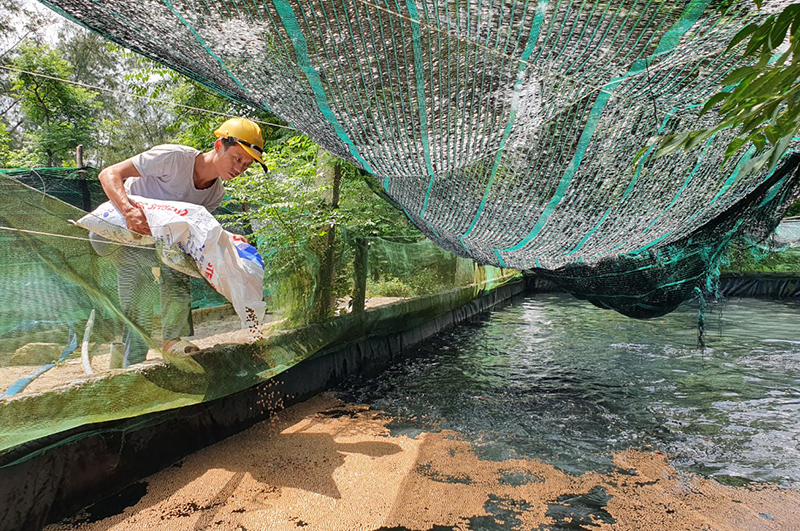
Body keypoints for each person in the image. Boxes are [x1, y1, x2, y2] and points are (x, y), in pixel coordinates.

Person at [96, 117, 266, 366]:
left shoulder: (215, 193)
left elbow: (192, 234)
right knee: (142, 288)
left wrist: (228, 243)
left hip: (157, 245)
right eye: (237, 158)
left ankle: (169, 343)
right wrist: (128, 211)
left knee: (176, 261)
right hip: (120, 235)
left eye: (247, 164)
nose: (240, 168)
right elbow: (109, 173)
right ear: (219, 145)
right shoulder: (175, 158)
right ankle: (132, 364)